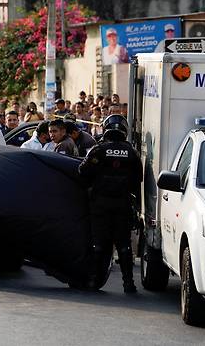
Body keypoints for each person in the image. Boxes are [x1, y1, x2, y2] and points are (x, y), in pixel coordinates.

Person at [78, 114, 143, 293]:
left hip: (100, 204)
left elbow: (82, 172)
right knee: (124, 245)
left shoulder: (98, 150)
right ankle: (128, 283)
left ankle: (92, 280)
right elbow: (139, 179)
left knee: (97, 244)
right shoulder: (132, 152)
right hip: (123, 204)